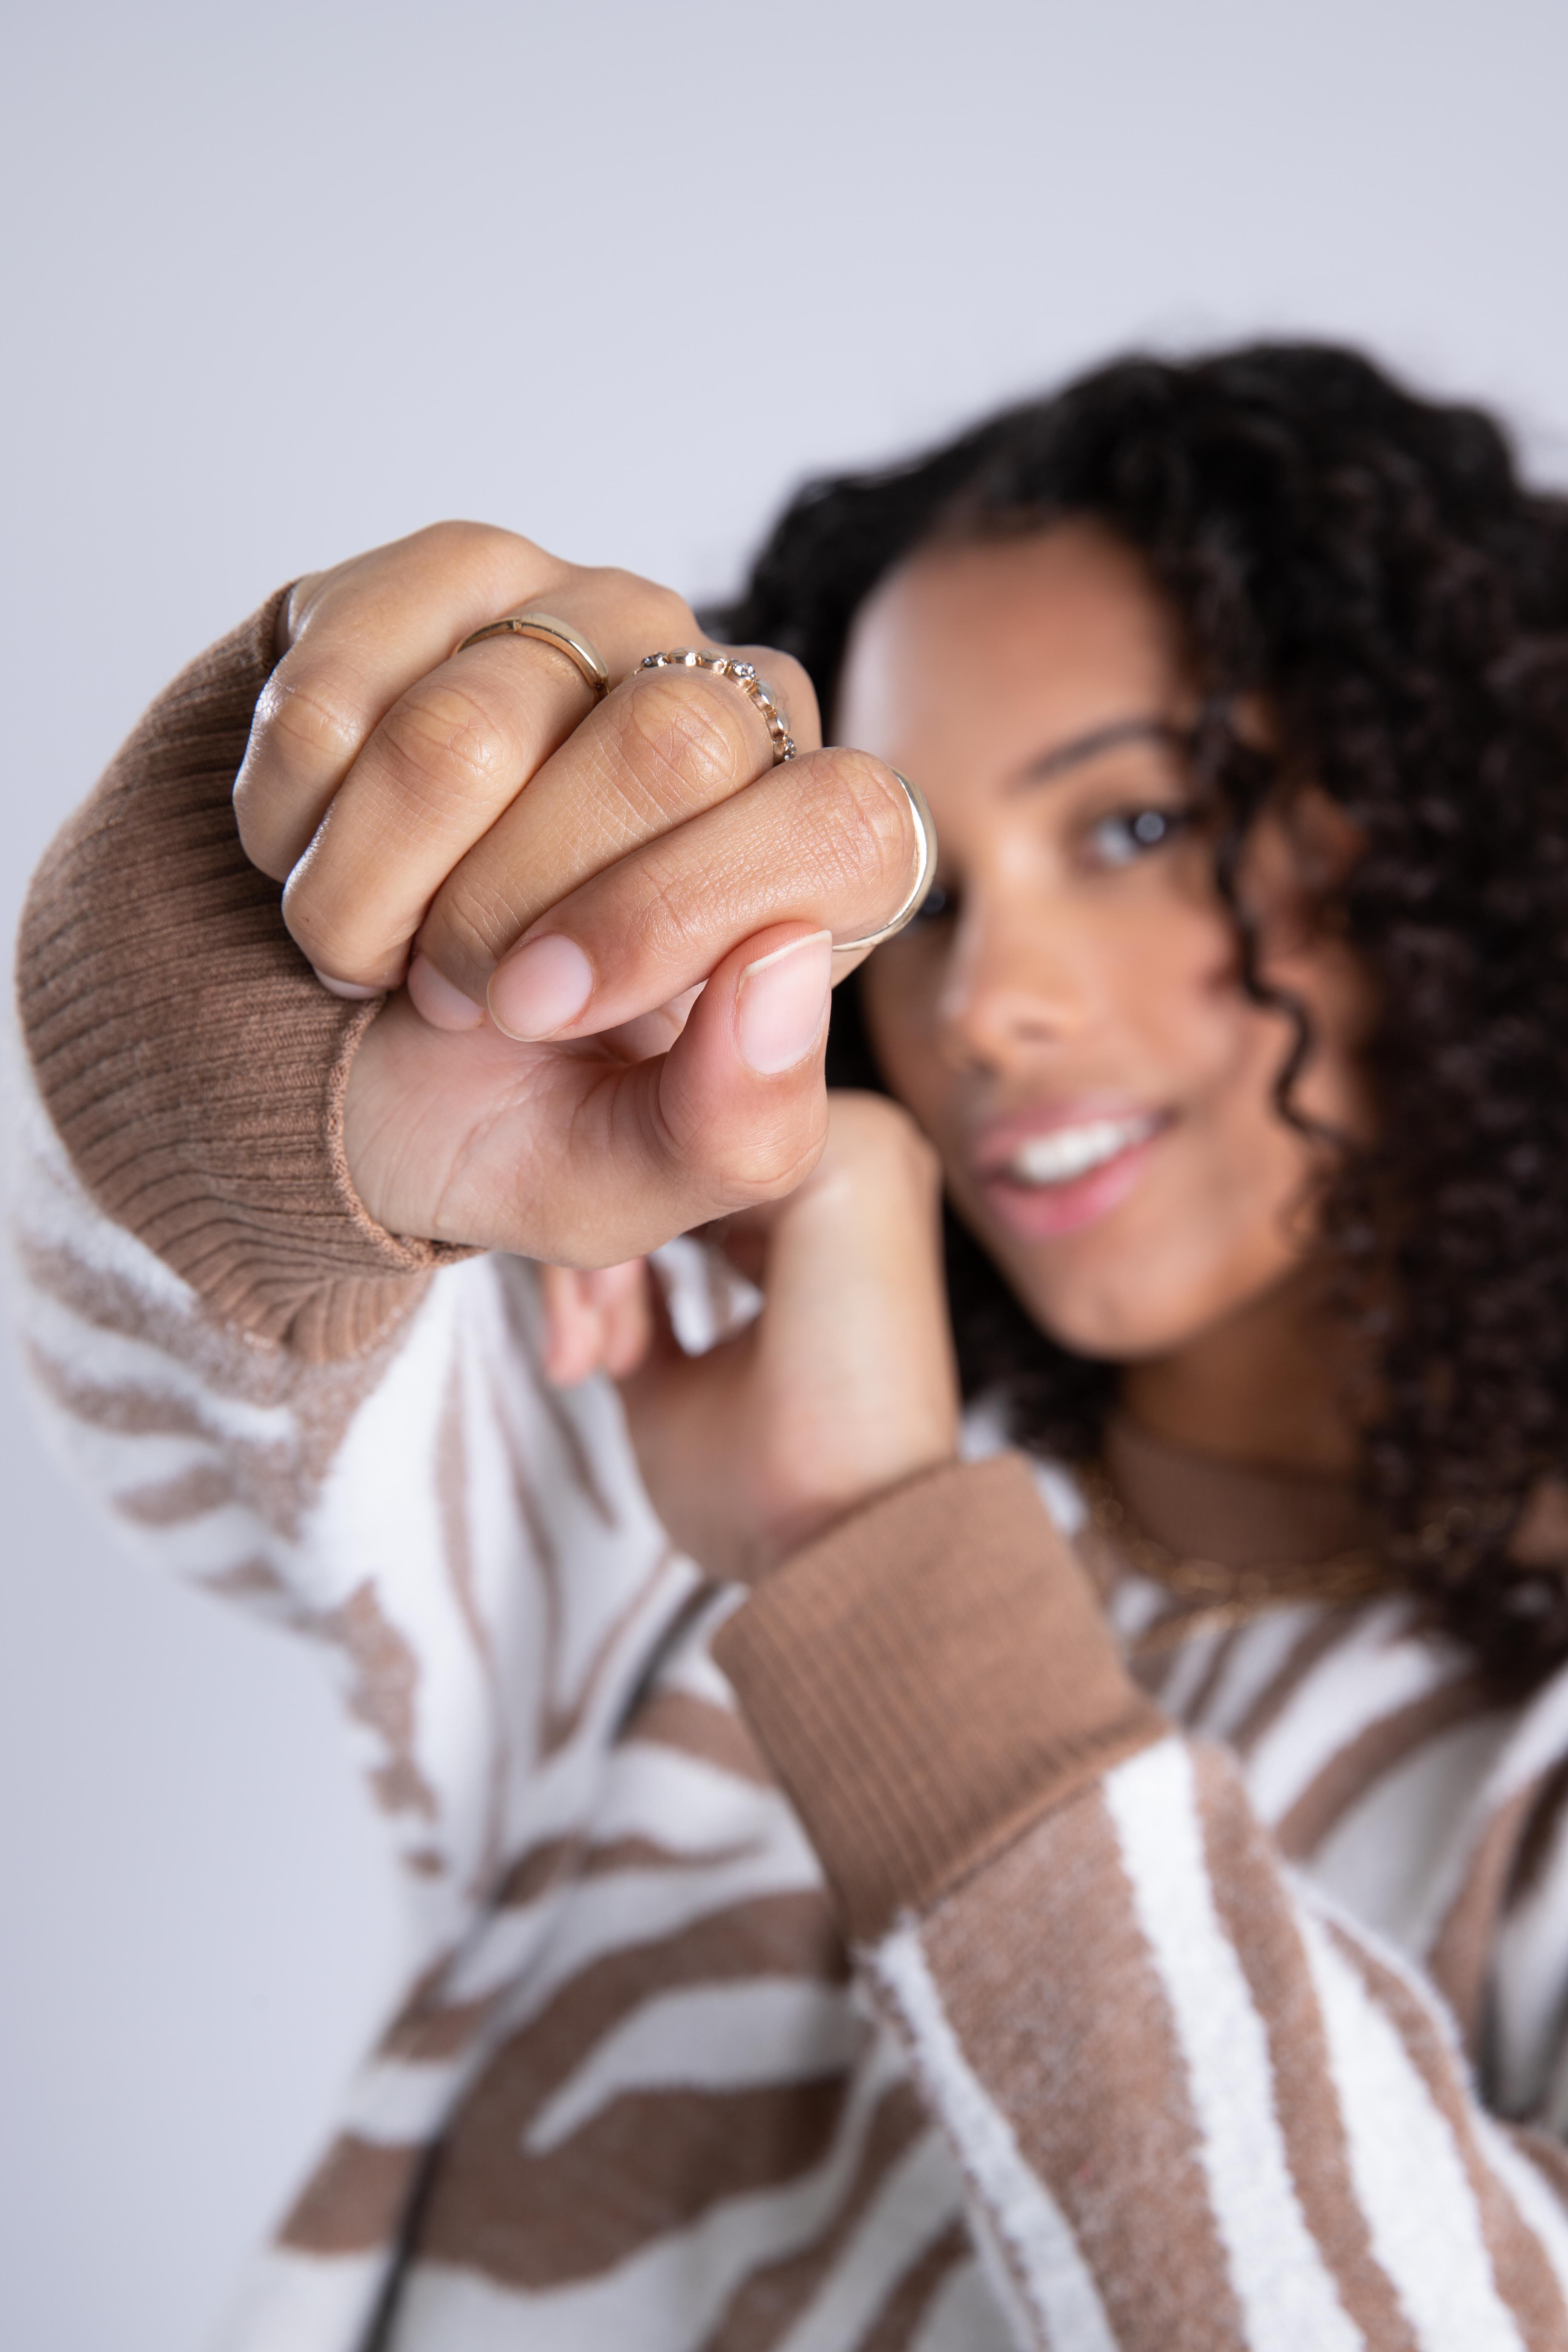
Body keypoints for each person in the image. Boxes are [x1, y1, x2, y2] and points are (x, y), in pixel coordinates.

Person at [15, 342, 1568, 2352]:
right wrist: (287, 933)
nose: (991, 1001)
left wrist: (874, 1564)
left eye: (1135, 827)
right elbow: (172, 1397)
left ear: (1461, 833)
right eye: (925, 893)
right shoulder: (677, 1392)